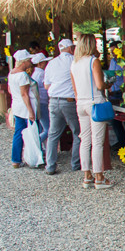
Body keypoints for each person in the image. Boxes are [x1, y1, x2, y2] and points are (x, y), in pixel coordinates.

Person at [70, 33, 113, 189]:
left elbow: (74, 89)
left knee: (85, 140)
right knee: (97, 142)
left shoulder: (74, 63)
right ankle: (99, 177)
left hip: (80, 104)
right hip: (95, 103)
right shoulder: (93, 61)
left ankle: (87, 176)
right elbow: (100, 85)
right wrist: (108, 85)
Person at [44, 38, 81, 175]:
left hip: (53, 100)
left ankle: (50, 166)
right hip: (69, 101)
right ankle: (75, 164)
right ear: (71, 48)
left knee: (53, 135)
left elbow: (46, 85)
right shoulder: (74, 61)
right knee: (77, 132)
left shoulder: (51, 63)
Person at [7, 50, 38, 168]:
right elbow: (25, 94)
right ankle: (33, 157)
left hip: (17, 106)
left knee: (18, 133)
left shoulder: (12, 73)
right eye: (29, 60)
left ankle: (16, 159)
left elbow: (10, 90)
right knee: (31, 132)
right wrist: (30, 111)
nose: (30, 62)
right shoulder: (23, 75)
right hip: (25, 108)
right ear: (24, 62)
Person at [107, 41, 125, 151]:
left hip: (122, 92)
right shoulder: (113, 62)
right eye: (111, 52)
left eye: (115, 51)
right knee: (114, 118)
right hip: (113, 93)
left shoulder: (124, 61)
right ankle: (122, 142)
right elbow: (111, 75)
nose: (113, 54)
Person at [31, 53, 51, 152]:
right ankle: (35, 145)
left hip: (38, 102)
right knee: (48, 129)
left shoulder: (34, 73)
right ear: (40, 63)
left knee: (40, 127)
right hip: (43, 101)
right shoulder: (42, 73)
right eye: (44, 62)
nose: (46, 63)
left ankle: (41, 149)